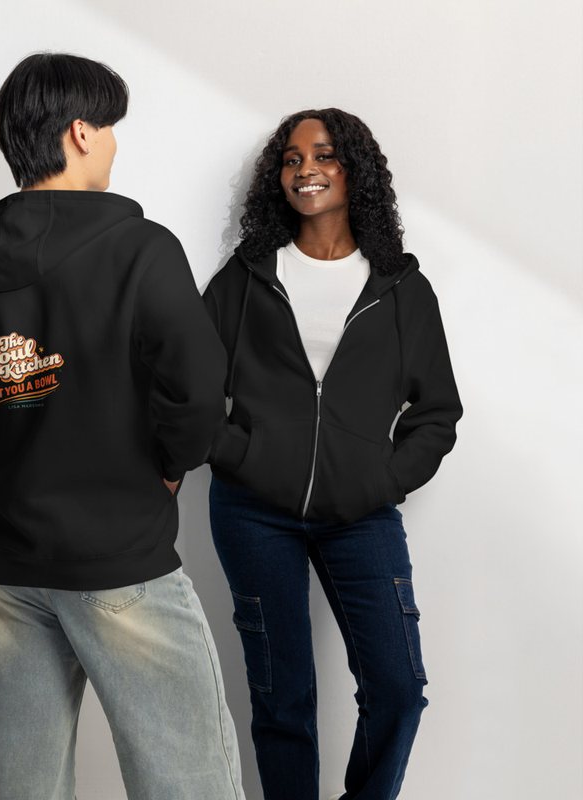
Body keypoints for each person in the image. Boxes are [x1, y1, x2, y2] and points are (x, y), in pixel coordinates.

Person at [0, 52, 244, 800]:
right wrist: (170, 465)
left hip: (9, 566)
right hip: (121, 560)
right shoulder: (141, 250)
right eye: (110, 127)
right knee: (189, 783)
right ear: (81, 133)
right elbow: (198, 388)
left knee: (29, 787)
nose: (114, 143)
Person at [204, 109, 462, 799]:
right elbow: (187, 390)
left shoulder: (400, 287)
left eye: (323, 155)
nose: (306, 170)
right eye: (291, 159)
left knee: (398, 689)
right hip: (253, 513)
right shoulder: (245, 278)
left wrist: (382, 480)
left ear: (355, 170)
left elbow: (437, 412)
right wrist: (240, 455)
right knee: (282, 698)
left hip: (361, 515)